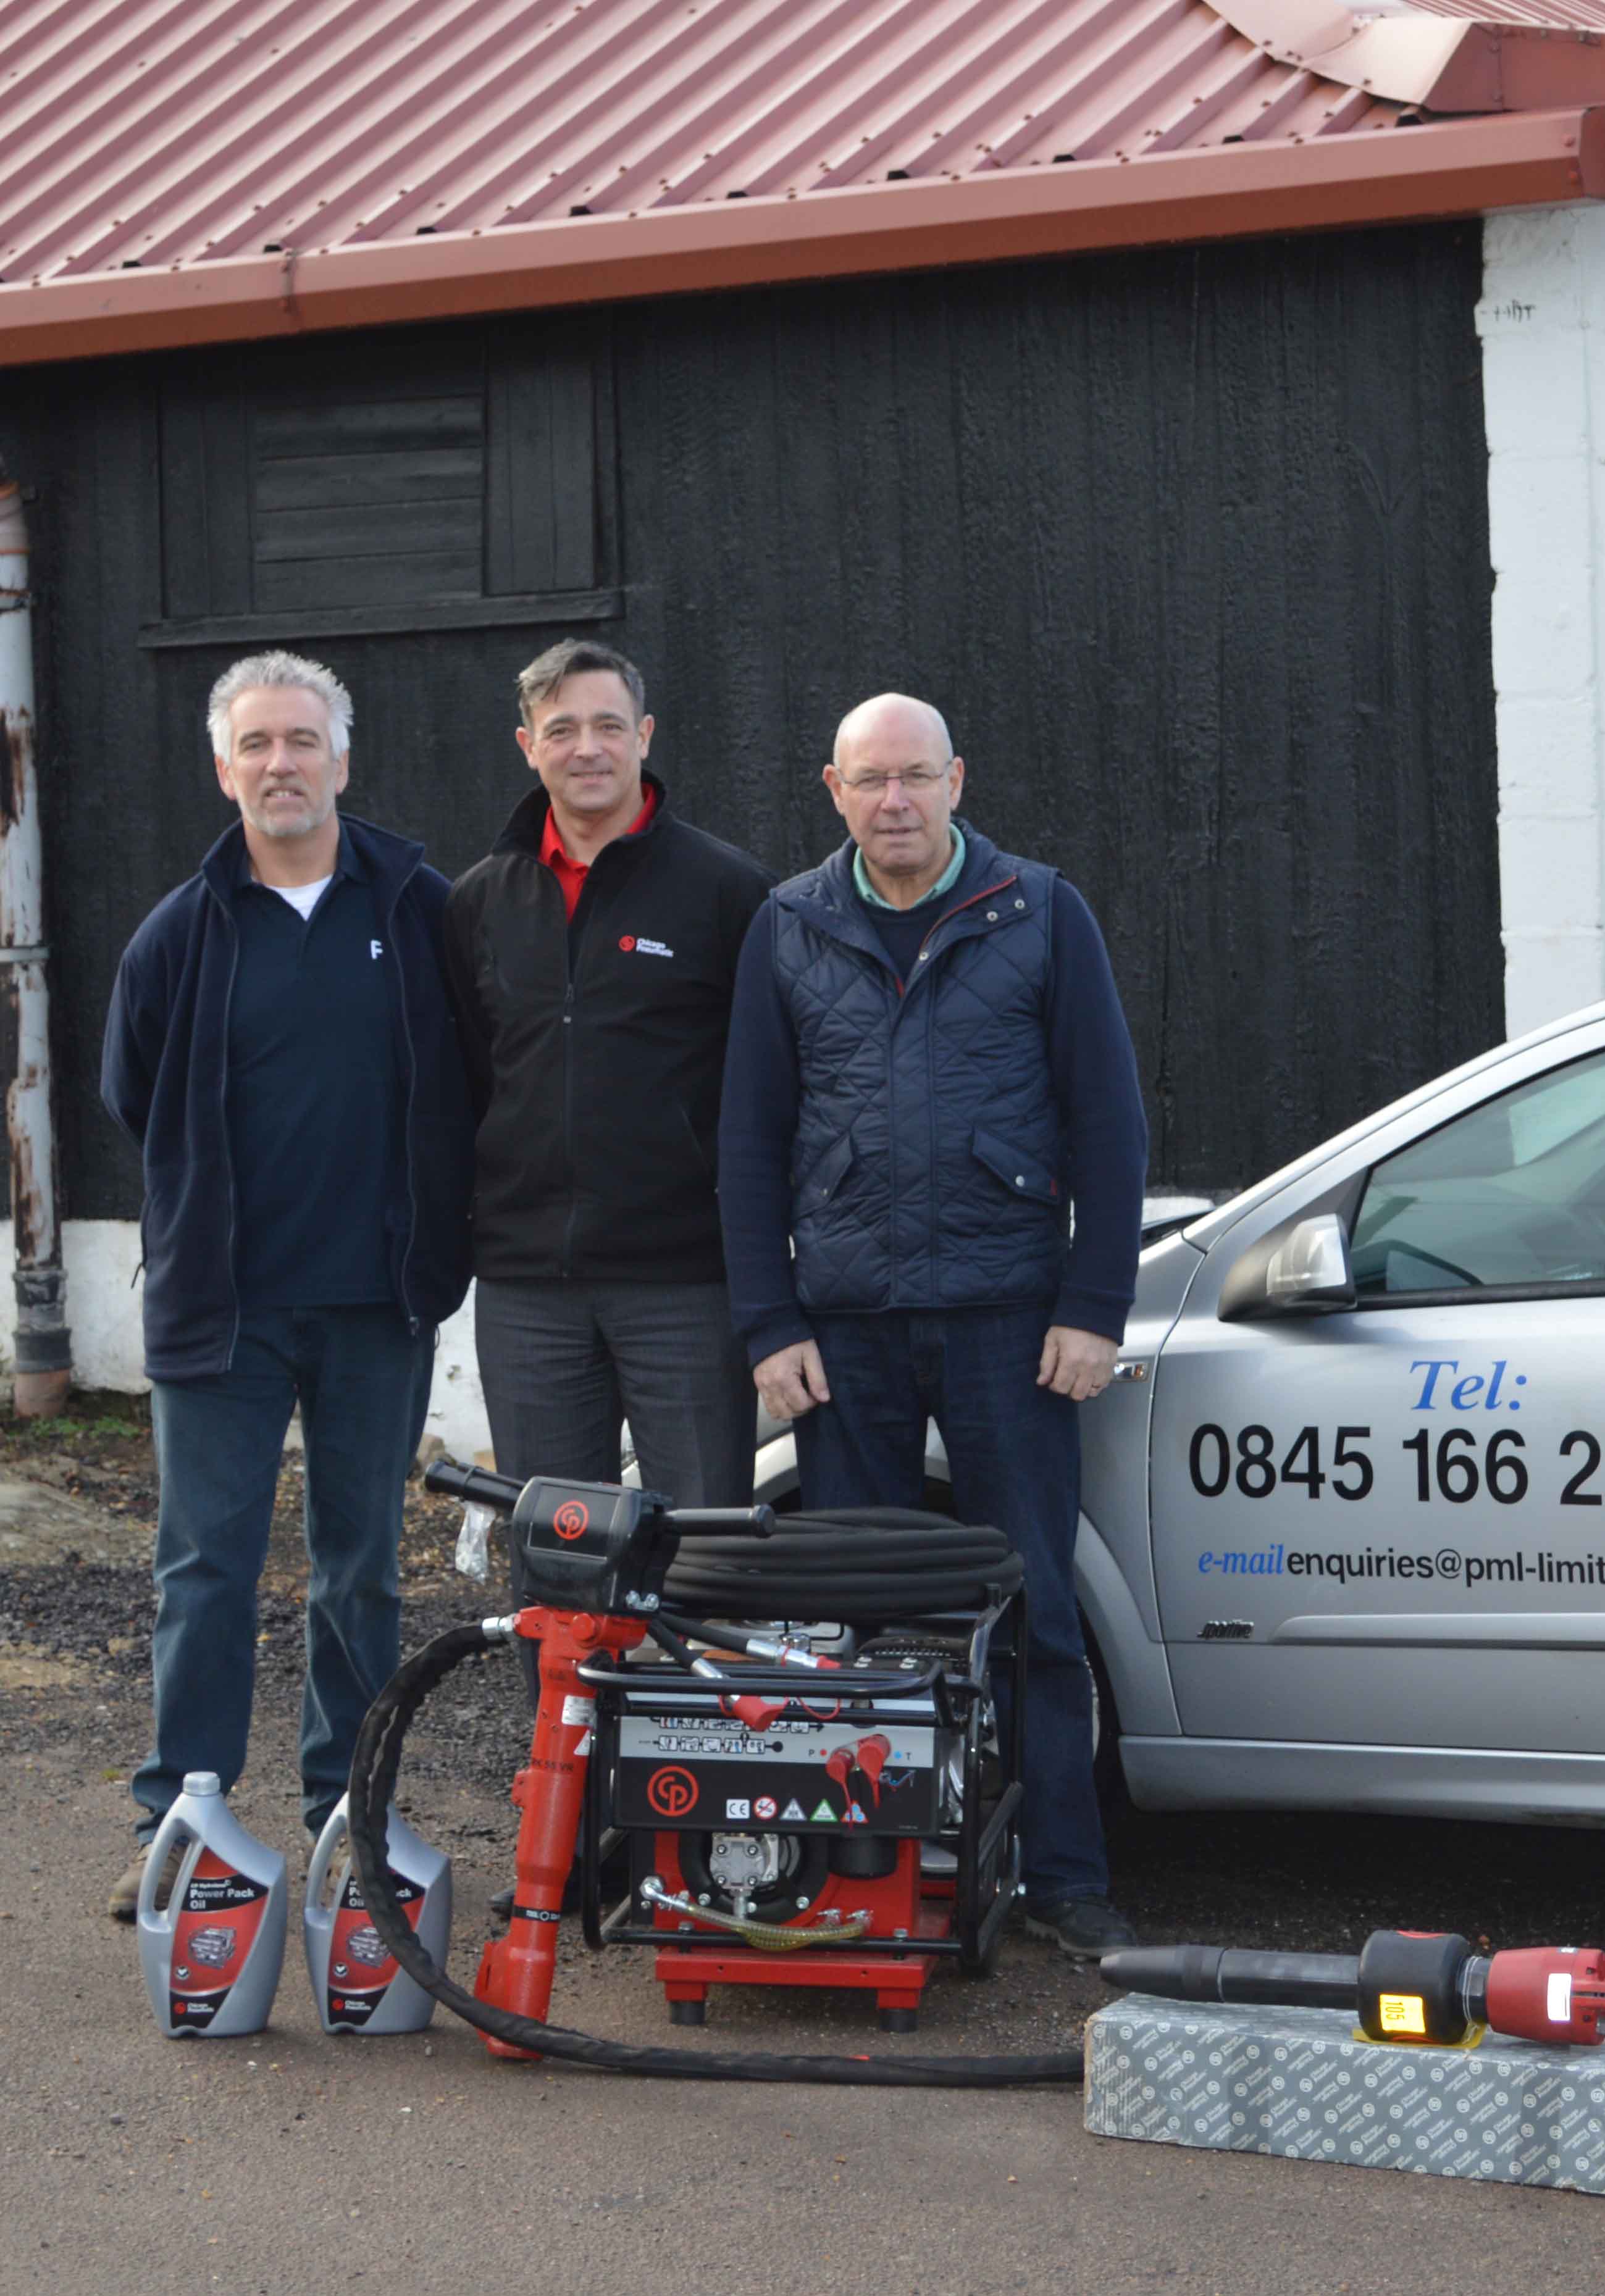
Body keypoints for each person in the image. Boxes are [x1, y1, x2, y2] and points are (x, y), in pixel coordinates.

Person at [717, 694, 1147, 1958]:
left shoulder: (1040, 912)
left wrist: (1092, 1302)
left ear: (957, 779)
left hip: (1009, 1324)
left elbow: (1107, 1122)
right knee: (851, 1622)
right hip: (842, 1332)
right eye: (869, 781)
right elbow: (748, 1139)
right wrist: (765, 1318)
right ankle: (871, 1876)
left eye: (915, 776)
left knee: (1036, 1609)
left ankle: (1063, 1877)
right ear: (833, 789)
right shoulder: (788, 925)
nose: (894, 800)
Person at [99, 653, 472, 1919]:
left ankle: (347, 1810)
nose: (280, 762)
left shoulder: (418, 904)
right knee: (204, 1565)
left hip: (376, 1301)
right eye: (254, 743)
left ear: (342, 758)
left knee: (360, 1565)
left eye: (301, 740)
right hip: (225, 1309)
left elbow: (470, 1067)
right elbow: (131, 1094)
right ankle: (180, 1815)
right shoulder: (181, 931)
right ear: (224, 767)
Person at [446, 640, 773, 1513]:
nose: (585, 747)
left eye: (607, 725)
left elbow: (768, 1086)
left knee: (698, 1542)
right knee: (558, 1556)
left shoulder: (727, 890)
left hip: (686, 1285)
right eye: (561, 729)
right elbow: (472, 1077)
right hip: (526, 1293)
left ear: (645, 736)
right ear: (527, 745)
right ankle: (570, 1665)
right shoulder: (479, 900)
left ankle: (681, 1662)